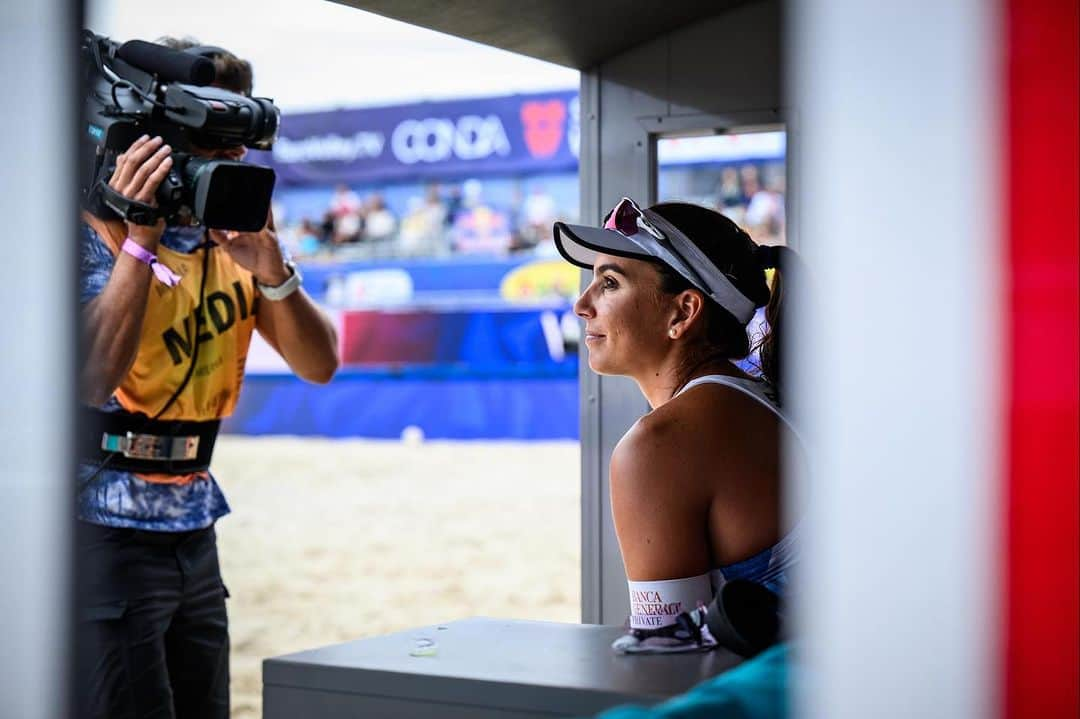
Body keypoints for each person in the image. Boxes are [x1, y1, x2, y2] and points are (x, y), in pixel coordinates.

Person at [76, 40, 339, 719]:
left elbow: (320, 363)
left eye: (237, 149)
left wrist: (275, 272)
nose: (228, 167)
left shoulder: (234, 235)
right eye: (210, 146)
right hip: (100, 526)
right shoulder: (92, 228)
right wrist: (142, 238)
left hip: (194, 522)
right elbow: (87, 377)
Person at [553, 198, 803, 654]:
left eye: (609, 283)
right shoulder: (757, 398)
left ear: (683, 313)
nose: (582, 306)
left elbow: (670, 664)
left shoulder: (660, 445)